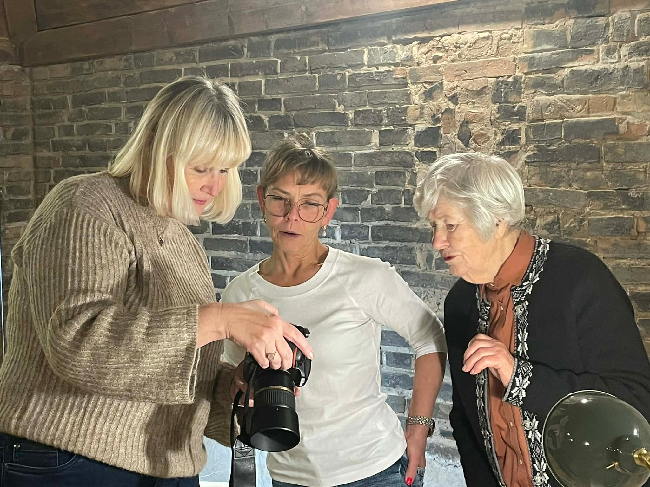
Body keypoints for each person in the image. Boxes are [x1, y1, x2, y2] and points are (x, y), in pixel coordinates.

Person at [0, 76, 312, 487]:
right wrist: (219, 319)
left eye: (224, 169)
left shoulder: (182, 240)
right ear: (156, 148)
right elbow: (78, 343)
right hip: (72, 459)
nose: (214, 184)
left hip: (167, 466)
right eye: (200, 167)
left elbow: (165, 367)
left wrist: (233, 387)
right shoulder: (85, 204)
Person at [413, 152, 650, 487]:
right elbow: (466, 421)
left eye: (450, 225)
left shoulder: (580, 279)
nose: (437, 241)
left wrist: (519, 377)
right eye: (434, 226)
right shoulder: (460, 303)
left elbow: (637, 403)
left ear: (497, 220)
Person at [222, 136, 447, 487]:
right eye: (280, 199)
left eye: (309, 204)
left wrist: (418, 428)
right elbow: (231, 379)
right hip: (290, 476)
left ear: (328, 211)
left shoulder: (365, 277)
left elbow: (429, 338)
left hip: (376, 471)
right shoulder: (240, 295)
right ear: (262, 200)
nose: (292, 216)